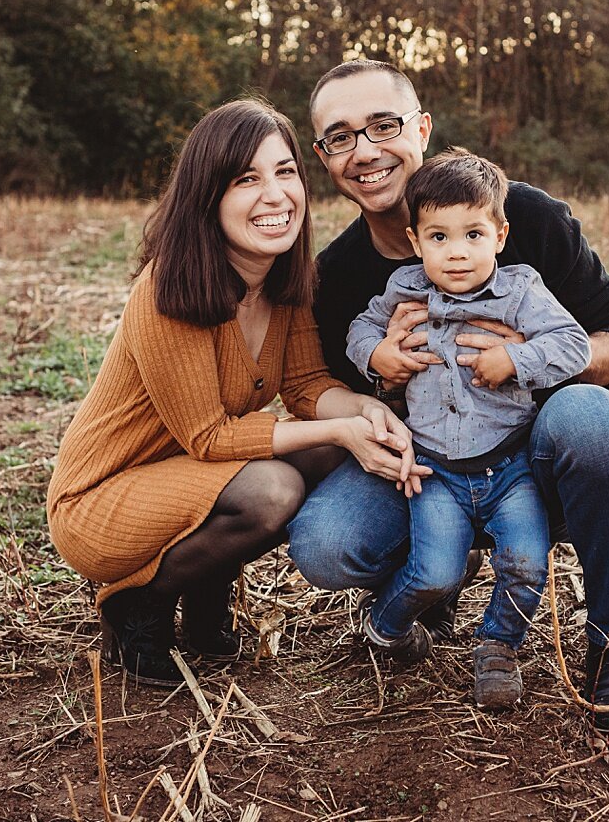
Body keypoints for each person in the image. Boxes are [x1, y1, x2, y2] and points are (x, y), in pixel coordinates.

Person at [287, 59, 609, 729]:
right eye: (340, 136)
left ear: (422, 127)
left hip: (531, 457)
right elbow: (320, 387)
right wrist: (381, 372)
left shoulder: (524, 217)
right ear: (324, 156)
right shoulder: (337, 275)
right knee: (326, 541)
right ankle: (429, 590)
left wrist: (525, 359)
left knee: (590, 420)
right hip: (427, 466)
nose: (365, 151)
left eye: (384, 125)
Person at [48, 97, 425, 687]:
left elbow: (306, 388)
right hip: (103, 498)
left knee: (326, 452)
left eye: (284, 173)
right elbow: (208, 436)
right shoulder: (169, 288)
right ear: (209, 196)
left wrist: (370, 411)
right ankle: (135, 602)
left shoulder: (284, 281)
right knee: (273, 490)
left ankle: (204, 594)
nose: (275, 195)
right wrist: (339, 430)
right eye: (247, 179)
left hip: (188, 476)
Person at [346, 151, 591, 709]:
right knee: (435, 572)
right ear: (415, 240)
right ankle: (386, 626)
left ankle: (499, 645)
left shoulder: (522, 291)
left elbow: (574, 343)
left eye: (473, 234)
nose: (456, 251)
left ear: (500, 236)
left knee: (527, 564)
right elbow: (359, 328)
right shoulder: (405, 289)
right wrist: (377, 354)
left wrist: (517, 359)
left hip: (510, 466)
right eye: (438, 236)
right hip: (434, 469)